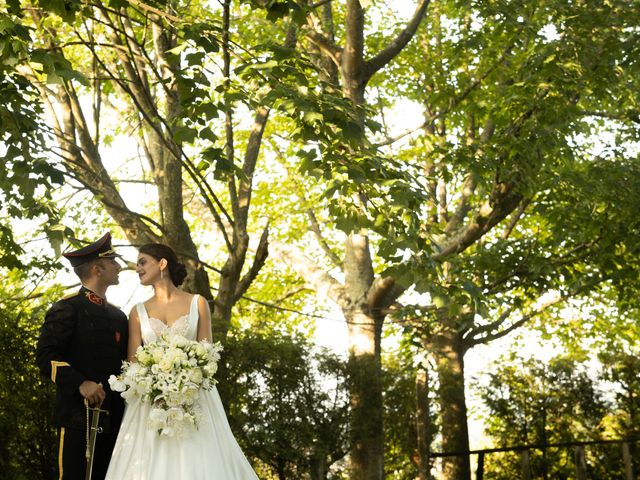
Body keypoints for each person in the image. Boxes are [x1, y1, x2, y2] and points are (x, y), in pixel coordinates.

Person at [105, 243, 259, 479]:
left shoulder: (198, 303)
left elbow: (207, 355)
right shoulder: (137, 312)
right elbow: (133, 363)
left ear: (162, 264)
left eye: (143, 261)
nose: (138, 268)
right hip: (151, 402)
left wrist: (184, 378)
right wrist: (156, 381)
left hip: (194, 396)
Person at [36, 232, 129, 480]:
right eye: (113, 262)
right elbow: (46, 356)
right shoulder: (67, 308)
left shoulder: (119, 317)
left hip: (117, 423)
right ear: (98, 269)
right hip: (79, 419)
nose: (119, 266)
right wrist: (80, 383)